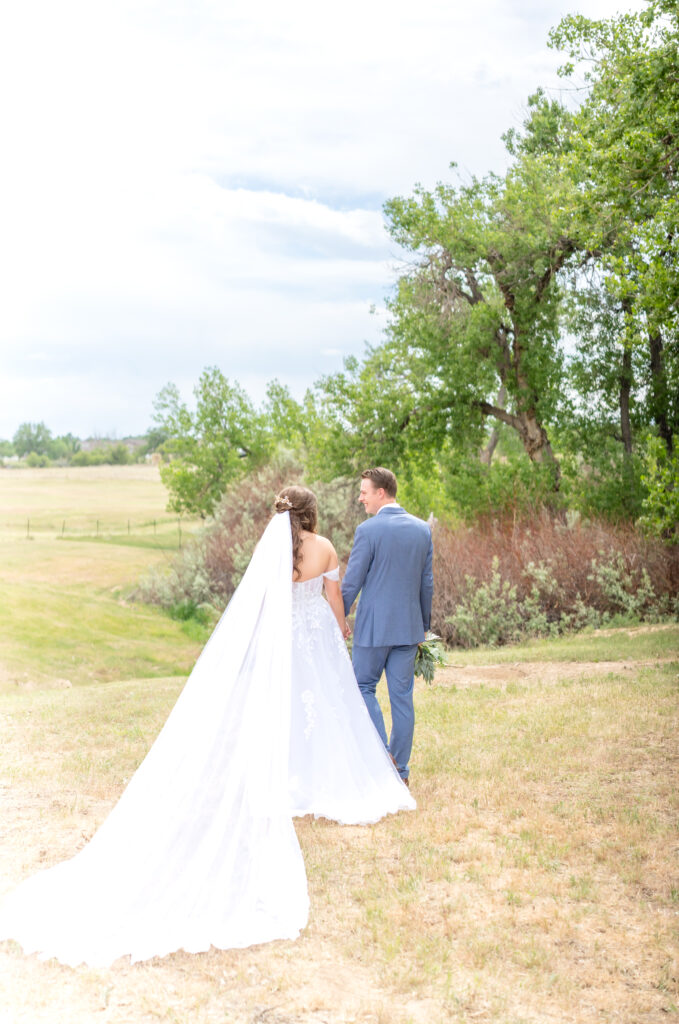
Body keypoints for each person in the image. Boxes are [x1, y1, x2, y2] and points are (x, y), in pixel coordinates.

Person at [0, 486, 414, 968]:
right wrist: (340, 629)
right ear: (312, 514)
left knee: (283, 710)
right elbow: (332, 596)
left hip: (280, 643)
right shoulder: (324, 548)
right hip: (314, 642)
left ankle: (287, 775)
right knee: (324, 710)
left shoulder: (272, 548)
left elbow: (258, 606)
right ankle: (319, 775)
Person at [342, 468, 434, 787]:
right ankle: (401, 772)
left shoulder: (368, 531)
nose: (361, 497)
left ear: (382, 492)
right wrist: (422, 626)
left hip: (373, 629)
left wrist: (337, 618)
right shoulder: (422, 530)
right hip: (409, 629)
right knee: (402, 698)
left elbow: (352, 581)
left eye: (364, 491)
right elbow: (427, 584)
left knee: (362, 687)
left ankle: (383, 759)